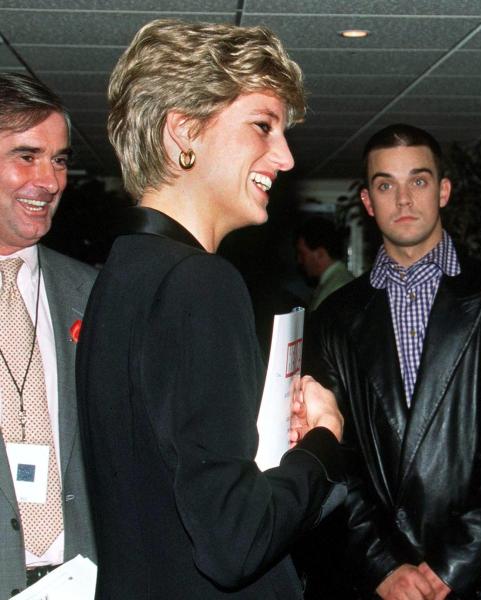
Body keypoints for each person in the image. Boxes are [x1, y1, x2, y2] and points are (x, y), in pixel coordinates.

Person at [75, 20, 346, 599]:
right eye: (262, 126)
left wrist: (278, 450)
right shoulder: (200, 282)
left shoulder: (119, 275)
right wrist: (323, 444)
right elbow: (233, 541)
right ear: (183, 132)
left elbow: (170, 492)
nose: (286, 157)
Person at [302, 123, 481, 599]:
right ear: (368, 202)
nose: (404, 199)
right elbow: (330, 454)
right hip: (372, 581)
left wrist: (446, 572)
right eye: (385, 185)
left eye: (418, 180)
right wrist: (386, 568)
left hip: (477, 579)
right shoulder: (334, 317)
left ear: (444, 191)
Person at [0, 72, 97, 595]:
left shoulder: (95, 295)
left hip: (83, 578)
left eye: (59, 160)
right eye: (27, 156)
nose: (50, 180)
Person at [294, 215, 354, 311]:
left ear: (320, 254)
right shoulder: (332, 283)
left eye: (302, 254)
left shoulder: (338, 287)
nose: (299, 260)